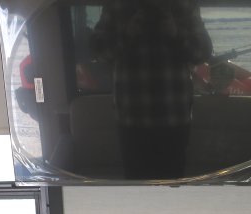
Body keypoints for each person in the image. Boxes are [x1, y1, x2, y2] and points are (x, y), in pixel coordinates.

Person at [90, 0, 212, 180]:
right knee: (138, 187)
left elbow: (203, 52)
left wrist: (176, 33)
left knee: (170, 186)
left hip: (171, 119)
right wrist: (127, 33)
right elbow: (97, 51)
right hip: (135, 119)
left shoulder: (184, 4)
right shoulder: (117, 5)